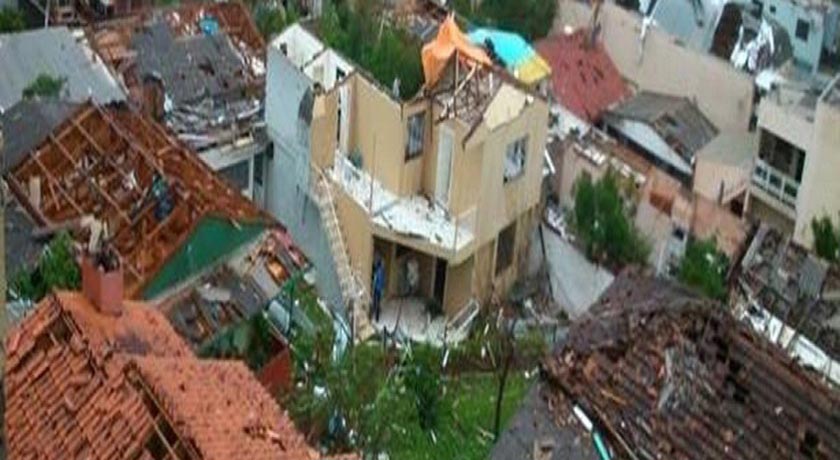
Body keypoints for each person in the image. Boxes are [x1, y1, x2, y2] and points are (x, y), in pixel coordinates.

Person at [372, 257, 385, 322]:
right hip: (380, 289)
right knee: (378, 302)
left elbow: (375, 280)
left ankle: (374, 314)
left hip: (376, 289)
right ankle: (377, 318)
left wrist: (373, 288)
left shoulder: (377, 271)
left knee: (375, 301)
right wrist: (382, 288)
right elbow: (383, 281)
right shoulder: (382, 271)